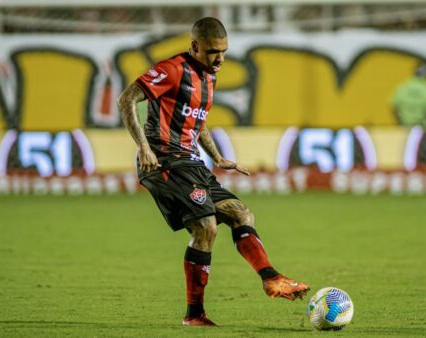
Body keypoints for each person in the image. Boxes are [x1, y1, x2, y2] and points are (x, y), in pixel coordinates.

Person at [116, 17, 310, 327]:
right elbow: (126, 99)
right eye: (212, 52)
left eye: (223, 51)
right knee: (205, 227)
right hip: (164, 160)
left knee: (240, 213)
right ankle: (195, 314)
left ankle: (271, 278)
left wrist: (217, 156)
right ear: (194, 46)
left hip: (191, 163)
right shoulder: (171, 69)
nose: (219, 58)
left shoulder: (209, 77)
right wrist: (143, 146)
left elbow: (197, 121)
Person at [391, 63, 426, 132]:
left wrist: (400, 122)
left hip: (405, 129)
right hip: (423, 129)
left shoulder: (403, 87)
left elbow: (394, 107)